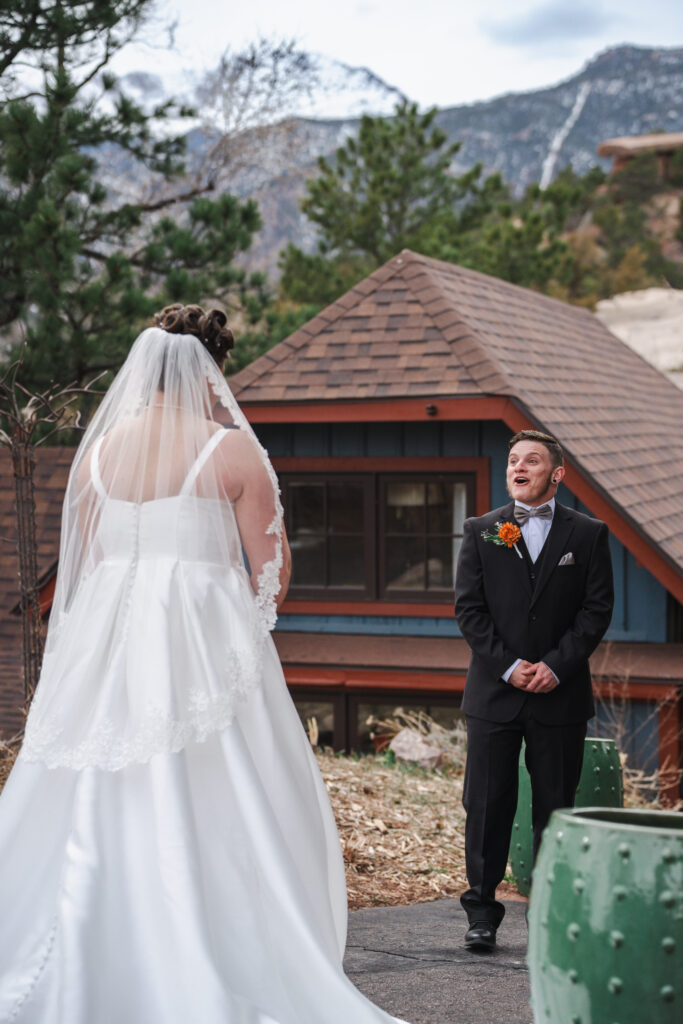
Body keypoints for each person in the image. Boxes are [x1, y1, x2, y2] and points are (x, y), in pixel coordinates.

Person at [0, 305, 410, 1023]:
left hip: (105, 632)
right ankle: (209, 943)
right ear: (211, 367)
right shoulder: (231, 451)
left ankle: (90, 939)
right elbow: (270, 576)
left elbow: (88, 563)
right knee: (221, 784)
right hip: (195, 629)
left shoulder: (99, 452)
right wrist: (224, 607)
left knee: (92, 782)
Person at [454, 429, 614, 952]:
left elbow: (596, 611)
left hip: (560, 696)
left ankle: (550, 914)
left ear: (557, 474)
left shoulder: (589, 535)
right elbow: (469, 611)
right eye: (513, 461)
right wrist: (509, 667)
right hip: (494, 695)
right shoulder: (483, 530)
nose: (518, 468)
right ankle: (481, 913)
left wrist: (556, 666)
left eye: (532, 461)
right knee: (486, 805)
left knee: (554, 808)